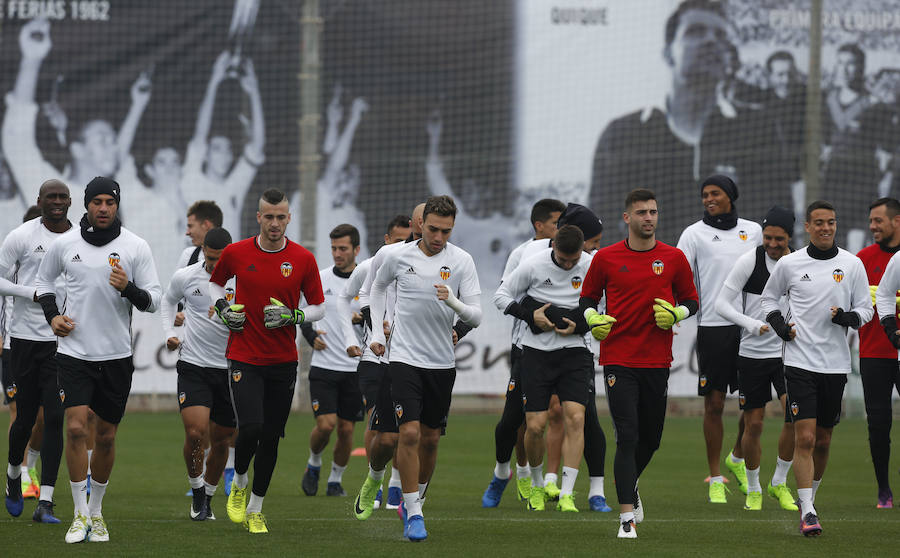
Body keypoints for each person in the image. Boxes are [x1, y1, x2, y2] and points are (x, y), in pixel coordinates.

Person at [35, 176, 162, 543]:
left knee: (105, 437)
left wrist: (129, 288)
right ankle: (78, 515)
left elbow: (153, 300)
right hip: (74, 354)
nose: (103, 208)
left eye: (110, 202)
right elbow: (44, 285)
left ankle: (96, 512)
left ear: (117, 205)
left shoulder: (135, 246)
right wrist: (53, 316)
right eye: (97, 202)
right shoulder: (65, 244)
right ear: (86, 205)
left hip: (117, 357)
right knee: (75, 428)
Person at [589, 0, 775, 245]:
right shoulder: (622, 135)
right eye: (695, 32)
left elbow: (772, 232)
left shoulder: (759, 131)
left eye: (721, 36)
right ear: (668, 52)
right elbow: (597, 233)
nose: (711, 41)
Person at [580, 188, 698, 538]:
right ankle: (626, 519)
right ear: (626, 218)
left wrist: (677, 312)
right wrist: (592, 318)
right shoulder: (605, 257)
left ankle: (629, 485)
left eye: (653, 212)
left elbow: (692, 300)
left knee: (651, 439)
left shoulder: (674, 258)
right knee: (627, 437)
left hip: (658, 361)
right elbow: (587, 298)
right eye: (642, 212)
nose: (649, 218)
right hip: (618, 359)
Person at [367, 195, 482, 541]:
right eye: (433, 229)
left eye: (446, 231)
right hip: (403, 358)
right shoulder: (397, 256)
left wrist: (454, 301)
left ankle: (416, 501)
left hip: (441, 363)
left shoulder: (462, 261)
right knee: (409, 434)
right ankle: (412, 513)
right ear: (421, 224)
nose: (438, 237)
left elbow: (476, 315)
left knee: (430, 440)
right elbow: (376, 288)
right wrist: (376, 331)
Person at [211, 188, 324, 534]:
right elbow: (215, 286)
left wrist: (294, 316)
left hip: (283, 360)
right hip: (244, 355)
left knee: (272, 438)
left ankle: (257, 508)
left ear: (288, 219)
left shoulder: (303, 258)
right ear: (258, 217)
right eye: (268, 217)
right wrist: (223, 309)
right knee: (251, 428)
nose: (275, 223)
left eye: (281, 217)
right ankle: (240, 481)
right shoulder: (236, 252)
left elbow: (318, 306)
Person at [762, 200, 872, 537]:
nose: (826, 228)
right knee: (805, 437)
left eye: (831, 222)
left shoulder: (851, 265)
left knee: (823, 441)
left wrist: (848, 318)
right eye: (819, 223)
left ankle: (810, 499)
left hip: (835, 365)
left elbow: (865, 308)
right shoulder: (790, 264)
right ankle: (807, 510)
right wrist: (780, 325)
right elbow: (769, 300)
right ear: (807, 227)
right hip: (798, 362)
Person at [493, 224, 594, 514]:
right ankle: (537, 486)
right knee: (535, 425)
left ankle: (567, 493)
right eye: (562, 259)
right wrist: (529, 315)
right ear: (553, 249)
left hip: (575, 353)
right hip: (535, 354)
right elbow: (501, 296)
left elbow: (607, 303)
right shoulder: (533, 265)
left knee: (576, 418)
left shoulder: (591, 264)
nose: (568, 265)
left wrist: (584, 323)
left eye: (573, 260)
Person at [2, 20, 149, 218]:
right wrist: (31, 60)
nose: (113, 147)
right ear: (78, 150)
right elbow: (17, 140)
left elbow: (118, 152)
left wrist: (137, 106)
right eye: (102, 140)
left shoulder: (111, 203)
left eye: (112, 141)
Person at [677, 174, 762, 503]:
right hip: (712, 327)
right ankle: (715, 476)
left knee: (753, 405)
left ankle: (737, 456)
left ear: (731, 196)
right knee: (713, 404)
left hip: (750, 327)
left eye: (715, 193)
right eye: (705, 195)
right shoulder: (693, 234)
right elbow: (678, 275)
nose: (708, 199)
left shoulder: (753, 231)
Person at [482, 198, 566, 508]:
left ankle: (551, 483)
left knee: (556, 415)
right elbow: (507, 296)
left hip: (565, 350)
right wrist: (535, 315)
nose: (561, 229)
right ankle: (505, 472)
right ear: (539, 226)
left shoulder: (573, 254)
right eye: (556, 223)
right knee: (512, 422)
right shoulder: (523, 254)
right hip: (526, 348)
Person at [713, 206, 799, 511]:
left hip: (789, 354)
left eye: (779, 238)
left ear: (791, 236)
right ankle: (753, 488)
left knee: (795, 417)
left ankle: (779, 482)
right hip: (751, 354)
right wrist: (751, 324)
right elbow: (720, 303)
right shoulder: (750, 260)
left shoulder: (798, 262)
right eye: (768, 238)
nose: (772, 244)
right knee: (756, 425)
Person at [1, 180, 74, 523]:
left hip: (63, 344)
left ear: (71, 202)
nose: (57, 202)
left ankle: (45, 501)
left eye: (62, 197)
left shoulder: (79, 240)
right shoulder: (22, 236)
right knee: (26, 420)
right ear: (40, 201)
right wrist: (31, 294)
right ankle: (14, 473)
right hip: (25, 340)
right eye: (51, 197)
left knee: (57, 418)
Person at [351, 206, 426, 520]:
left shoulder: (451, 261)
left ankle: (405, 495)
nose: (430, 232)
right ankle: (376, 478)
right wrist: (376, 321)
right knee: (384, 430)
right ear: (414, 224)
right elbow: (362, 295)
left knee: (419, 434)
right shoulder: (385, 257)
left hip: (421, 357)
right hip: (380, 357)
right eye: (424, 225)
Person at [161, 227, 237, 521]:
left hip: (231, 369)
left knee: (222, 441)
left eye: (220, 259)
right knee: (196, 433)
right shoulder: (187, 276)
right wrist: (170, 332)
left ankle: (208, 494)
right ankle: (196, 491)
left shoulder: (244, 278)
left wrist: (233, 317)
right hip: (193, 365)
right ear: (203, 250)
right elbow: (168, 302)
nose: (214, 264)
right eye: (210, 256)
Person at [336, 214, 410, 510]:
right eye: (399, 240)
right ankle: (374, 482)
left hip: (408, 360)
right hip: (374, 358)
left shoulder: (420, 269)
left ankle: (395, 485)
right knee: (377, 419)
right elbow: (344, 299)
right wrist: (351, 340)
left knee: (406, 426)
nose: (405, 246)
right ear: (387, 240)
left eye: (410, 240)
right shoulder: (369, 267)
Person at [299, 224, 365, 498]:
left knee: (347, 430)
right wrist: (310, 334)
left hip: (355, 369)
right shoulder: (321, 278)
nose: (337, 254)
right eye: (334, 249)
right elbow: (304, 313)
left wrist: (365, 319)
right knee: (326, 425)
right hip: (324, 366)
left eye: (343, 249)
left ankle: (335, 480)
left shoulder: (367, 281)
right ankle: (314, 463)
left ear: (356, 250)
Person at [426, 109, 516, 286]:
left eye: (471, 189)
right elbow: (434, 174)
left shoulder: (507, 226)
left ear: (486, 194)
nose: (466, 194)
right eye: (464, 190)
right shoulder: (459, 221)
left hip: (498, 302)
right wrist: (434, 137)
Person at [181, 50, 265, 239]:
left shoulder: (234, 185)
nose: (225, 155)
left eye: (228, 150)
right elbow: (200, 134)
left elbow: (257, 147)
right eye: (217, 149)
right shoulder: (191, 179)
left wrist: (254, 91)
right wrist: (214, 81)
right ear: (206, 154)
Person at [858, 198, 900, 508]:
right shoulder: (861, 260)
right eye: (871, 221)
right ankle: (883, 489)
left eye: (878, 221)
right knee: (878, 424)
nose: (873, 226)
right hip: (873, 353)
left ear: (896, 222)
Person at [312, 87, 370, 263]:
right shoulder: (320, 203)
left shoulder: (355, 216)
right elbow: (334, 167)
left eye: (353, 178)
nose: (348, 184)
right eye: (345, 179)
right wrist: (351, 120)